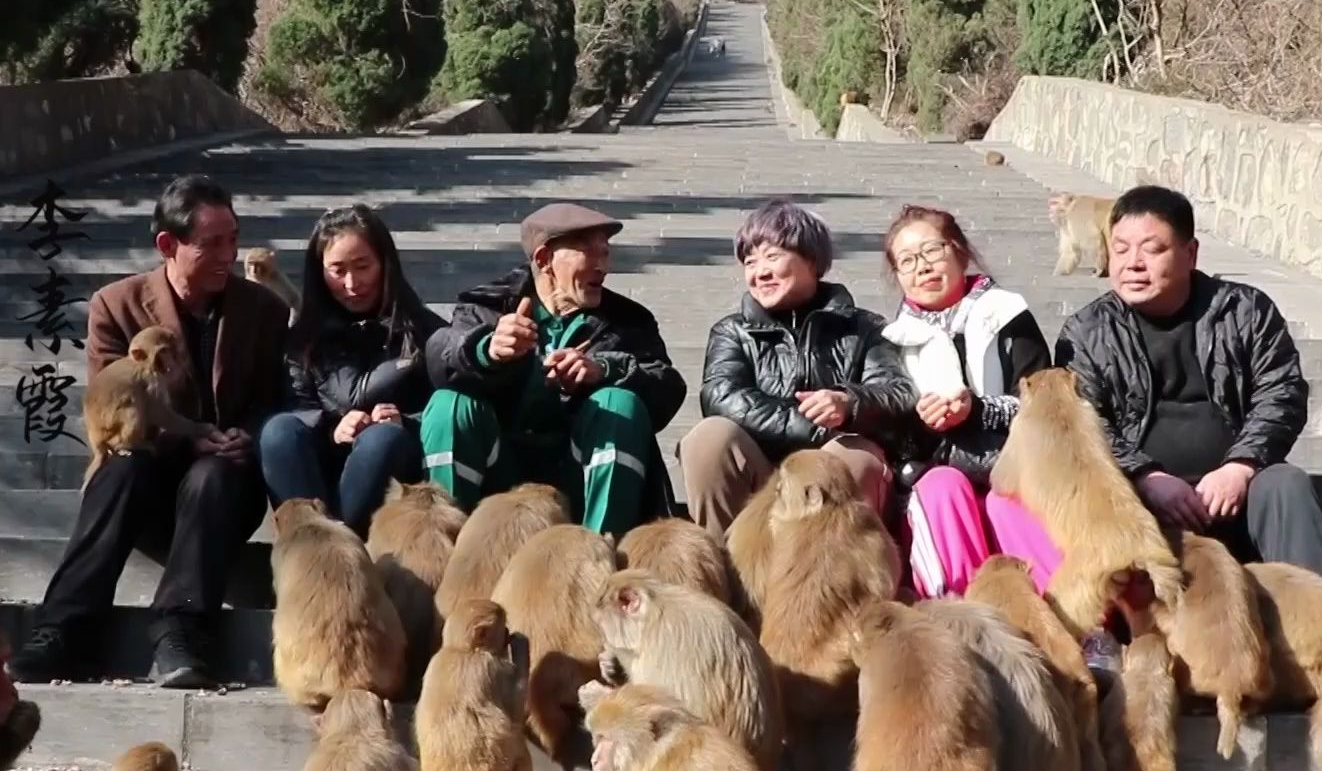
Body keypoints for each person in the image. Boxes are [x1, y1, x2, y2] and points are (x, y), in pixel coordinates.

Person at [7, 175, 289, 689]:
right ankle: (63, 628)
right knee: (119, 470)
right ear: (168, 244)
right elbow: (112, 407)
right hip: (149, 472)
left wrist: (244, 434)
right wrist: (187, 435)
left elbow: (276, 401)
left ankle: (181, 631)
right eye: (212, 244)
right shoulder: (117, 305)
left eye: (233, 238)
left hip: (222, 487)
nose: (229, 254)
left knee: (213, 474)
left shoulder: (264, 310)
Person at [1054, 185, 1322, 582]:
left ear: (1190, 254)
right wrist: (1145, 476)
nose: (1133, 263)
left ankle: (1315, 626)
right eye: (1120, 249)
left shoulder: (1244, 311)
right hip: (1139, 499)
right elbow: (1083, 422)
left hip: (1237, 490)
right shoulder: (1086, 331)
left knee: (1285, 484)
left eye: (1152, 250)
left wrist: (1241, 466)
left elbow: (1281, 393)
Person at [421, 202, 685, 534]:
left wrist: (604, 370)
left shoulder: (628, 322)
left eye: (605, 253)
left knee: (620, 404)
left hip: (578, 474)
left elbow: (668, 387)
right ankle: (451, 557)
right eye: (589, 252)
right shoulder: (488, 307)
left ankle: (600, 554)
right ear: (545, 260)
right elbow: (438, 356)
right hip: (499, 470)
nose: (602, 265)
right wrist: (486, 350)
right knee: (450, 405)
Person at [680, 198, 916, 534]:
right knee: (708, 438)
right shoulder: (732, 332)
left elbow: (899, 394)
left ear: (812, 260)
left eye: (772, 257)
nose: (760, 272)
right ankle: (729, 573)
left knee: (853, 453)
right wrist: (817, 426)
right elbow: (722, 398)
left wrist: (849, 404)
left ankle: (832, 581)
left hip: (835, 476)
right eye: (750, 262)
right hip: (761, 477)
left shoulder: (865, 328)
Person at [880, 204, 1059, 596]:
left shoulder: (1008, 315)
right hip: (940, 469)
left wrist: (976, 410)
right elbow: (893, 431)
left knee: (1008, 499)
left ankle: (1076, 622)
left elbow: (1041, 402)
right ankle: (962, 617)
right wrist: (925, 424)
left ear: (959, 251)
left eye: (932, 251)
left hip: (1015, 461)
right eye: (907, 261)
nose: (922, 268)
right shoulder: (893, 341)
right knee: (941, 488)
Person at [258, 206, 443, 538]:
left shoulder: (424, 332)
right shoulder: (304, 339)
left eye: (362, 267)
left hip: (388, 479)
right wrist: (334, 430)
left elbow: (443, 410)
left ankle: (331, 552)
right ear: (320, 272)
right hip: (320, 478)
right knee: (278, 430)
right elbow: (297, 408)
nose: (352, 284)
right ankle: (324, 547)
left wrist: (405, 423)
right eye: (337, 270)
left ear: (385, 264)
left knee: (380, 439)